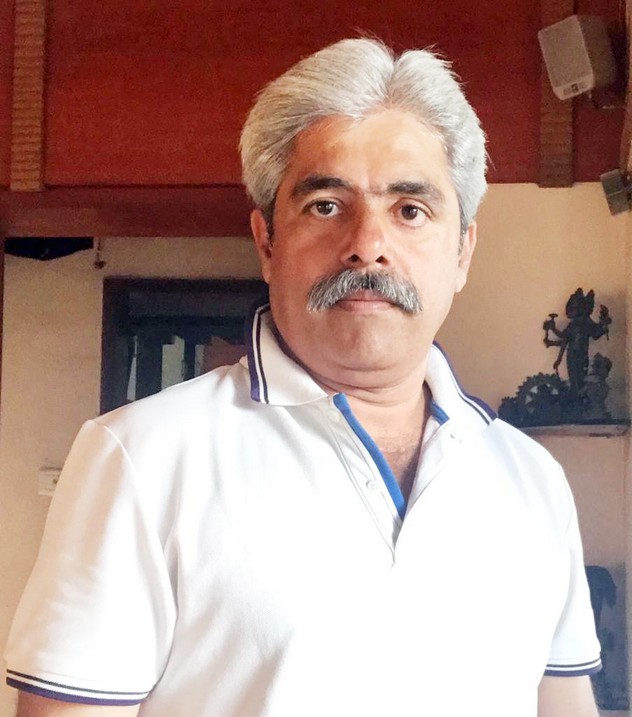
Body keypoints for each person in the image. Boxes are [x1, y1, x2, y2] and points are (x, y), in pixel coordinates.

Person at [5, 38, 601, 717]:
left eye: (410, 210)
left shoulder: (532, 479)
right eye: (326, 206)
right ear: (267, 241)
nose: (367, 245)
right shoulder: (142, 457)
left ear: (462, 250)